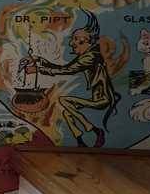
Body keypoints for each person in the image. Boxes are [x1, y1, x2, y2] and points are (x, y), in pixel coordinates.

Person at [34, 12, 120, 147]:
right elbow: (65, 67)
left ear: (87, 41)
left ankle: (94, 130)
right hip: (97, 98)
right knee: (67, 112)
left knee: (64, 100)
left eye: (76, 40)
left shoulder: (90, 57)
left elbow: (67, 70)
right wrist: (43, 63)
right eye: (73, 39)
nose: (71, 43)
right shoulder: (88, 54)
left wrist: (39, 70)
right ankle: (80, 141)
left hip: (102, 100)